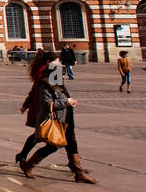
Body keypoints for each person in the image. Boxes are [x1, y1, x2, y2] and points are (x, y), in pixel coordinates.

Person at [17, 50, 97, 184]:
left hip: (66, 116)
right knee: (53, 146)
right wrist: (67, 101)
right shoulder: (45, 81)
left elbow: (60, 96)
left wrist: (69, 101)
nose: (60, 64)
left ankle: (79, 172)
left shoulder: (56, 79)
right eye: (57, 62)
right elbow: (48, 103)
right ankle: (28, 164)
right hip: (56, 118)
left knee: (71, 143)